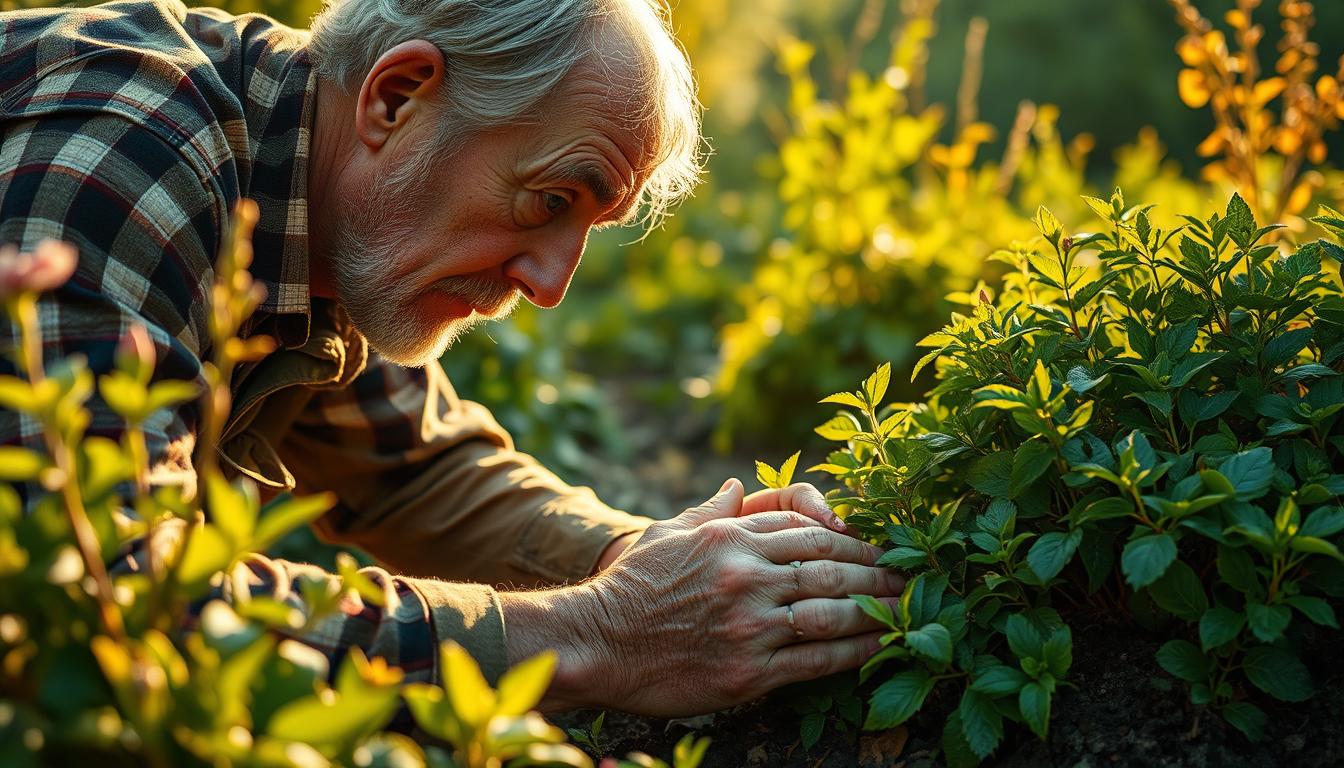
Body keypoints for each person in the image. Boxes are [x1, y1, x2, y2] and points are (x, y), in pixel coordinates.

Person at [0, 0, 903, 715]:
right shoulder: (129, 156)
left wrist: (658, 560)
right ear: (398, 97)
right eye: (547, 198)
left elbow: (418, 473)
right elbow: (107, 596)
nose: (551, 282)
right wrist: (601, 634)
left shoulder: (317, 186)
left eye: (589, 226)